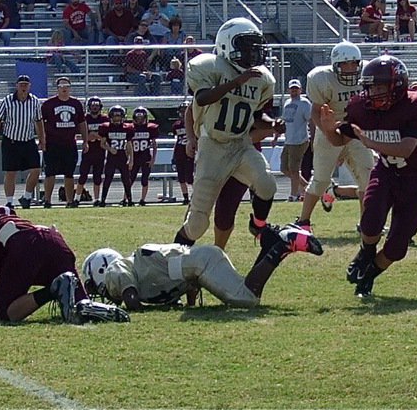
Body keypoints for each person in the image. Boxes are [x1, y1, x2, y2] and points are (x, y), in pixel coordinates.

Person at [321, 56, 417, 298]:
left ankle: (369, 274)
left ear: (398, 85)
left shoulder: (416, 106)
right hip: (385, 171)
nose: (373, 92)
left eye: (380, 87)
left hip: (415, 178)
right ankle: (366, 252)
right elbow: (338, 140)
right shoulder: (361, 108)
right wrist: (329, 128)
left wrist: (368, 141)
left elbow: (406, 149)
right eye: (370, 86)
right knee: (370, 219)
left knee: (397, 246)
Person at [0, 195, 128, 324]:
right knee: (78, 305)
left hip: (25, 247)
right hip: (52, 240)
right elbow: (12, 272)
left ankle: (54, 289)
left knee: (6, 313)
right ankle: (104, 310)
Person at [174, 17, 280, 247]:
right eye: (247, 46)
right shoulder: (210, 66)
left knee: (267, 184)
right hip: (213, 146)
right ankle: (173, 263)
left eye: (255, 46)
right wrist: (236, 82)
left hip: (240, 144)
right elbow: (201, 98)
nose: (253, 53)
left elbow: (255, 116)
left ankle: (258, 225)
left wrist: (273, 124)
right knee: (197, 225)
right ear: (227, 45)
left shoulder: (261, 79)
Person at [81, 220, 321, 312]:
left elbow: (131, 299)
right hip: (199, 263)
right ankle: (272, 242)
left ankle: (281, 245)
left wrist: (122, 311)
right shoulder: (137, 266)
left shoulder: (116, 269)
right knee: (245, 290)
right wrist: (189, 304)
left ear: (100, 268)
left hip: (200, 264)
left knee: (245, 298)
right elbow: (180, 280)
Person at [296, 41, 373, 230]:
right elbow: (315, 111)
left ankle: (366, 222)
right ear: (335, 65)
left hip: (356, 129)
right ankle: (303, 221)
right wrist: (329, 132)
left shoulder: (367, 75)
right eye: (345, 64)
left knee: (368, 176)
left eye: (354, 63)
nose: (350, 68)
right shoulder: (321, 78)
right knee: (321, 180)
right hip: (328, 127)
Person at [0, 75, 45, 209]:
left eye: (26, 85)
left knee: (36, 170)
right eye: (21, 84)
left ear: (29, 86)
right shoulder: (7, 101)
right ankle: (9, 201)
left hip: (28, 140)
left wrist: (42, 139)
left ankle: (26, 197)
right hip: (11, 141)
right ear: (16, 86)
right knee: (11, 172)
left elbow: (39, 121)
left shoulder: (35, 102)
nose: (23, 87)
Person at [41, 77, 87, 209]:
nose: (64, 88)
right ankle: (47, 200)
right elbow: (39, 123)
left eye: (66, 86)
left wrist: (85, 140)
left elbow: (82, 123)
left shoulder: (76, 104)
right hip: (52, 144)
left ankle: (69, 201)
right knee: (50, 173)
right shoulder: (48, 104)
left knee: (69, 173)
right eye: (61, 86)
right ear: (57, 88)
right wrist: (42, 139)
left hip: (69, 143)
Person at [280, 79, 312, 202]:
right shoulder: (287, 102)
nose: (294, 90)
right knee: (284, 168)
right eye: (292, 88)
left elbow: (310, 119)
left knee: (294, 169)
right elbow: (284, 120)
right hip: (288, 140)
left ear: (300, 89)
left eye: (296, 88)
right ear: (288, 90)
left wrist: (312, 136)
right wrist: (277, 136)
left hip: (299, 140)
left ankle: (293, 195)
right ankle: (307, 187)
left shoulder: (304, 103)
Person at [98, 105, 134, 207]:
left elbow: (129, 145)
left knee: (126, 179)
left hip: (122, 155)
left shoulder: (127, 128)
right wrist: (110, 149)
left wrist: (131, 159)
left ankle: (130, 200)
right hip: (112, 156)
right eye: (115, 116)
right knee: (108, 179)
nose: (117, 118)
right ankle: (103, 200)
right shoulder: (106, 127)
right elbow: (102, 143)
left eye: (119, 116)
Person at [77, 98, 109, 207]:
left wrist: (97, 136)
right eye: (92, 106)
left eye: (96, 106)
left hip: (100, 151)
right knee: (83, 176)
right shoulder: (84, 119)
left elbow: (109, 135)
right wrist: (86, 137)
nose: (94, 108)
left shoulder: (105, 119)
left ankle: (96, 199)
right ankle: (77, 198)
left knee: (98, 177)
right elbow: (76, 134)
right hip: (88, 151)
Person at [126, 108, 159, 206]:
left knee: (144, 180)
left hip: (145, 157)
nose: (140, 120)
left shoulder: (150, 128)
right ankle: (126, 198)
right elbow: (128, 144)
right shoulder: (130, 128)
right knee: (130, 179)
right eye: (138, 117)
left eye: (141, 118)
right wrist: (129, 158)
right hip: (134, 157)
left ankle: (143, 199)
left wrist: (153, 159)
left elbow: (154, 144)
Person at [171, 99, 194, 205]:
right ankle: (185, 197)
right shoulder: (176, 125)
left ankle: (195, 196)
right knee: (181, 177)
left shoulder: (195, 124)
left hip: (190, 152)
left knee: (190, 177)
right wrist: (173, 155)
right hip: (180, 151)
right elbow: (177, 139)